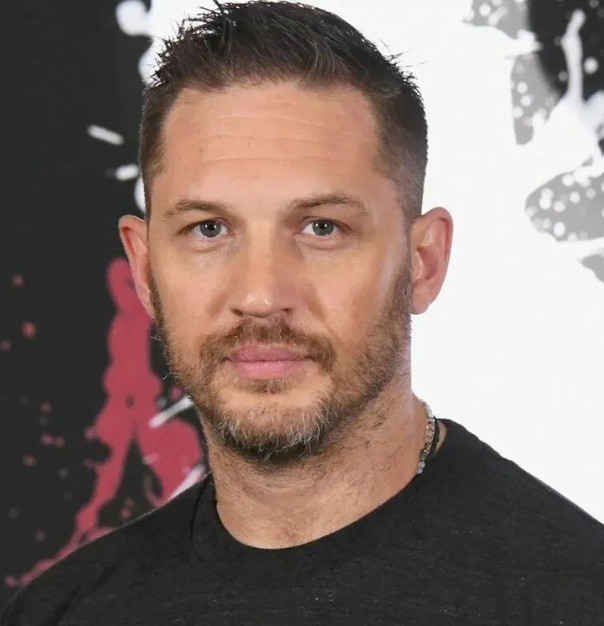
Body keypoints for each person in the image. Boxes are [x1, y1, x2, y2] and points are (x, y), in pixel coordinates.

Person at [2, 1, 603, 623]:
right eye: (209, 229)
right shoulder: (59, 612)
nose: (261, 295)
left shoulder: (577, 598)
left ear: (423, 263)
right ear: (145, 270)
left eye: (322, 228)